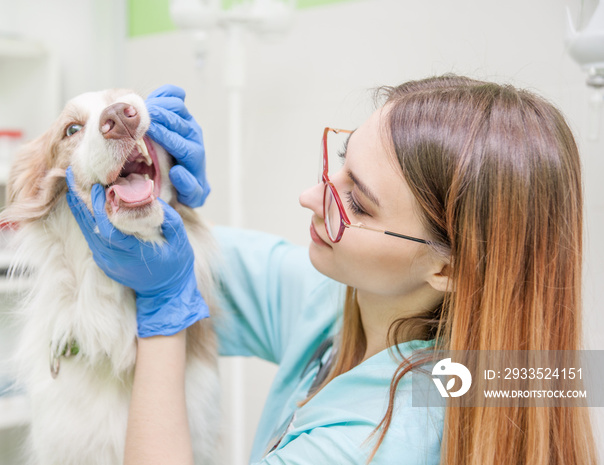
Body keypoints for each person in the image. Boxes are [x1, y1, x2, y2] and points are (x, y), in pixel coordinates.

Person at [65, 76, 597, 464]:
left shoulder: (369, 446)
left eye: (358, 205)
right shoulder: (372, 317)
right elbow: (561, 377)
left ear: (446, 267)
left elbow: (169, 285)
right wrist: (161, 199)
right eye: (340, 161)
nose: (310, 197)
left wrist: (164, 310)